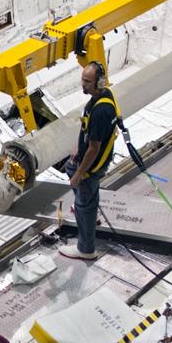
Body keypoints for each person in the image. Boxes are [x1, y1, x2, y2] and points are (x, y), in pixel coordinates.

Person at [59, 60, 119, 262]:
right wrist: (78, 147)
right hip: (89, 159)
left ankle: (86, 249)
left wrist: (78, 175)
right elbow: (90, 134)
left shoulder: (102, 111)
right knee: (81, 187)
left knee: (84, 200)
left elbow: (94, 149)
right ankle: (89, 213)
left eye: (87, 81)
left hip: (90, 167)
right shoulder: (103, 97)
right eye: (82, 80)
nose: (82, 85)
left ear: (98, 82)